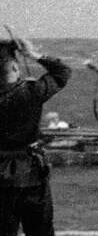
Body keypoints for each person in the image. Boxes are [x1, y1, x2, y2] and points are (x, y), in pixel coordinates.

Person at [0, 36, 72, 236]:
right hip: (31, 174)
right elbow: (63, 71)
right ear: (15, 67)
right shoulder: (33, 91)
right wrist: (33, 54)